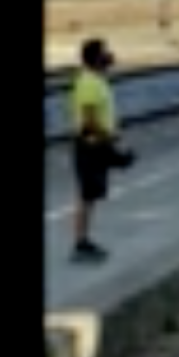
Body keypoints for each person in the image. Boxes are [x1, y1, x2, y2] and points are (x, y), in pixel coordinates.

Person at [68, 38, 132, 263]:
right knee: (87, 195)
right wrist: (109, 138)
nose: (109, 56)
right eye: (105, 52)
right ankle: (80, 244)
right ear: (95, 57)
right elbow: (89, 120)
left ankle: (83, 241)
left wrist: (112, 141)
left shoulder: (97, 80)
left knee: (91, 195)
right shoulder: (88, 82)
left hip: (96, 144)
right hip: (91, 145)